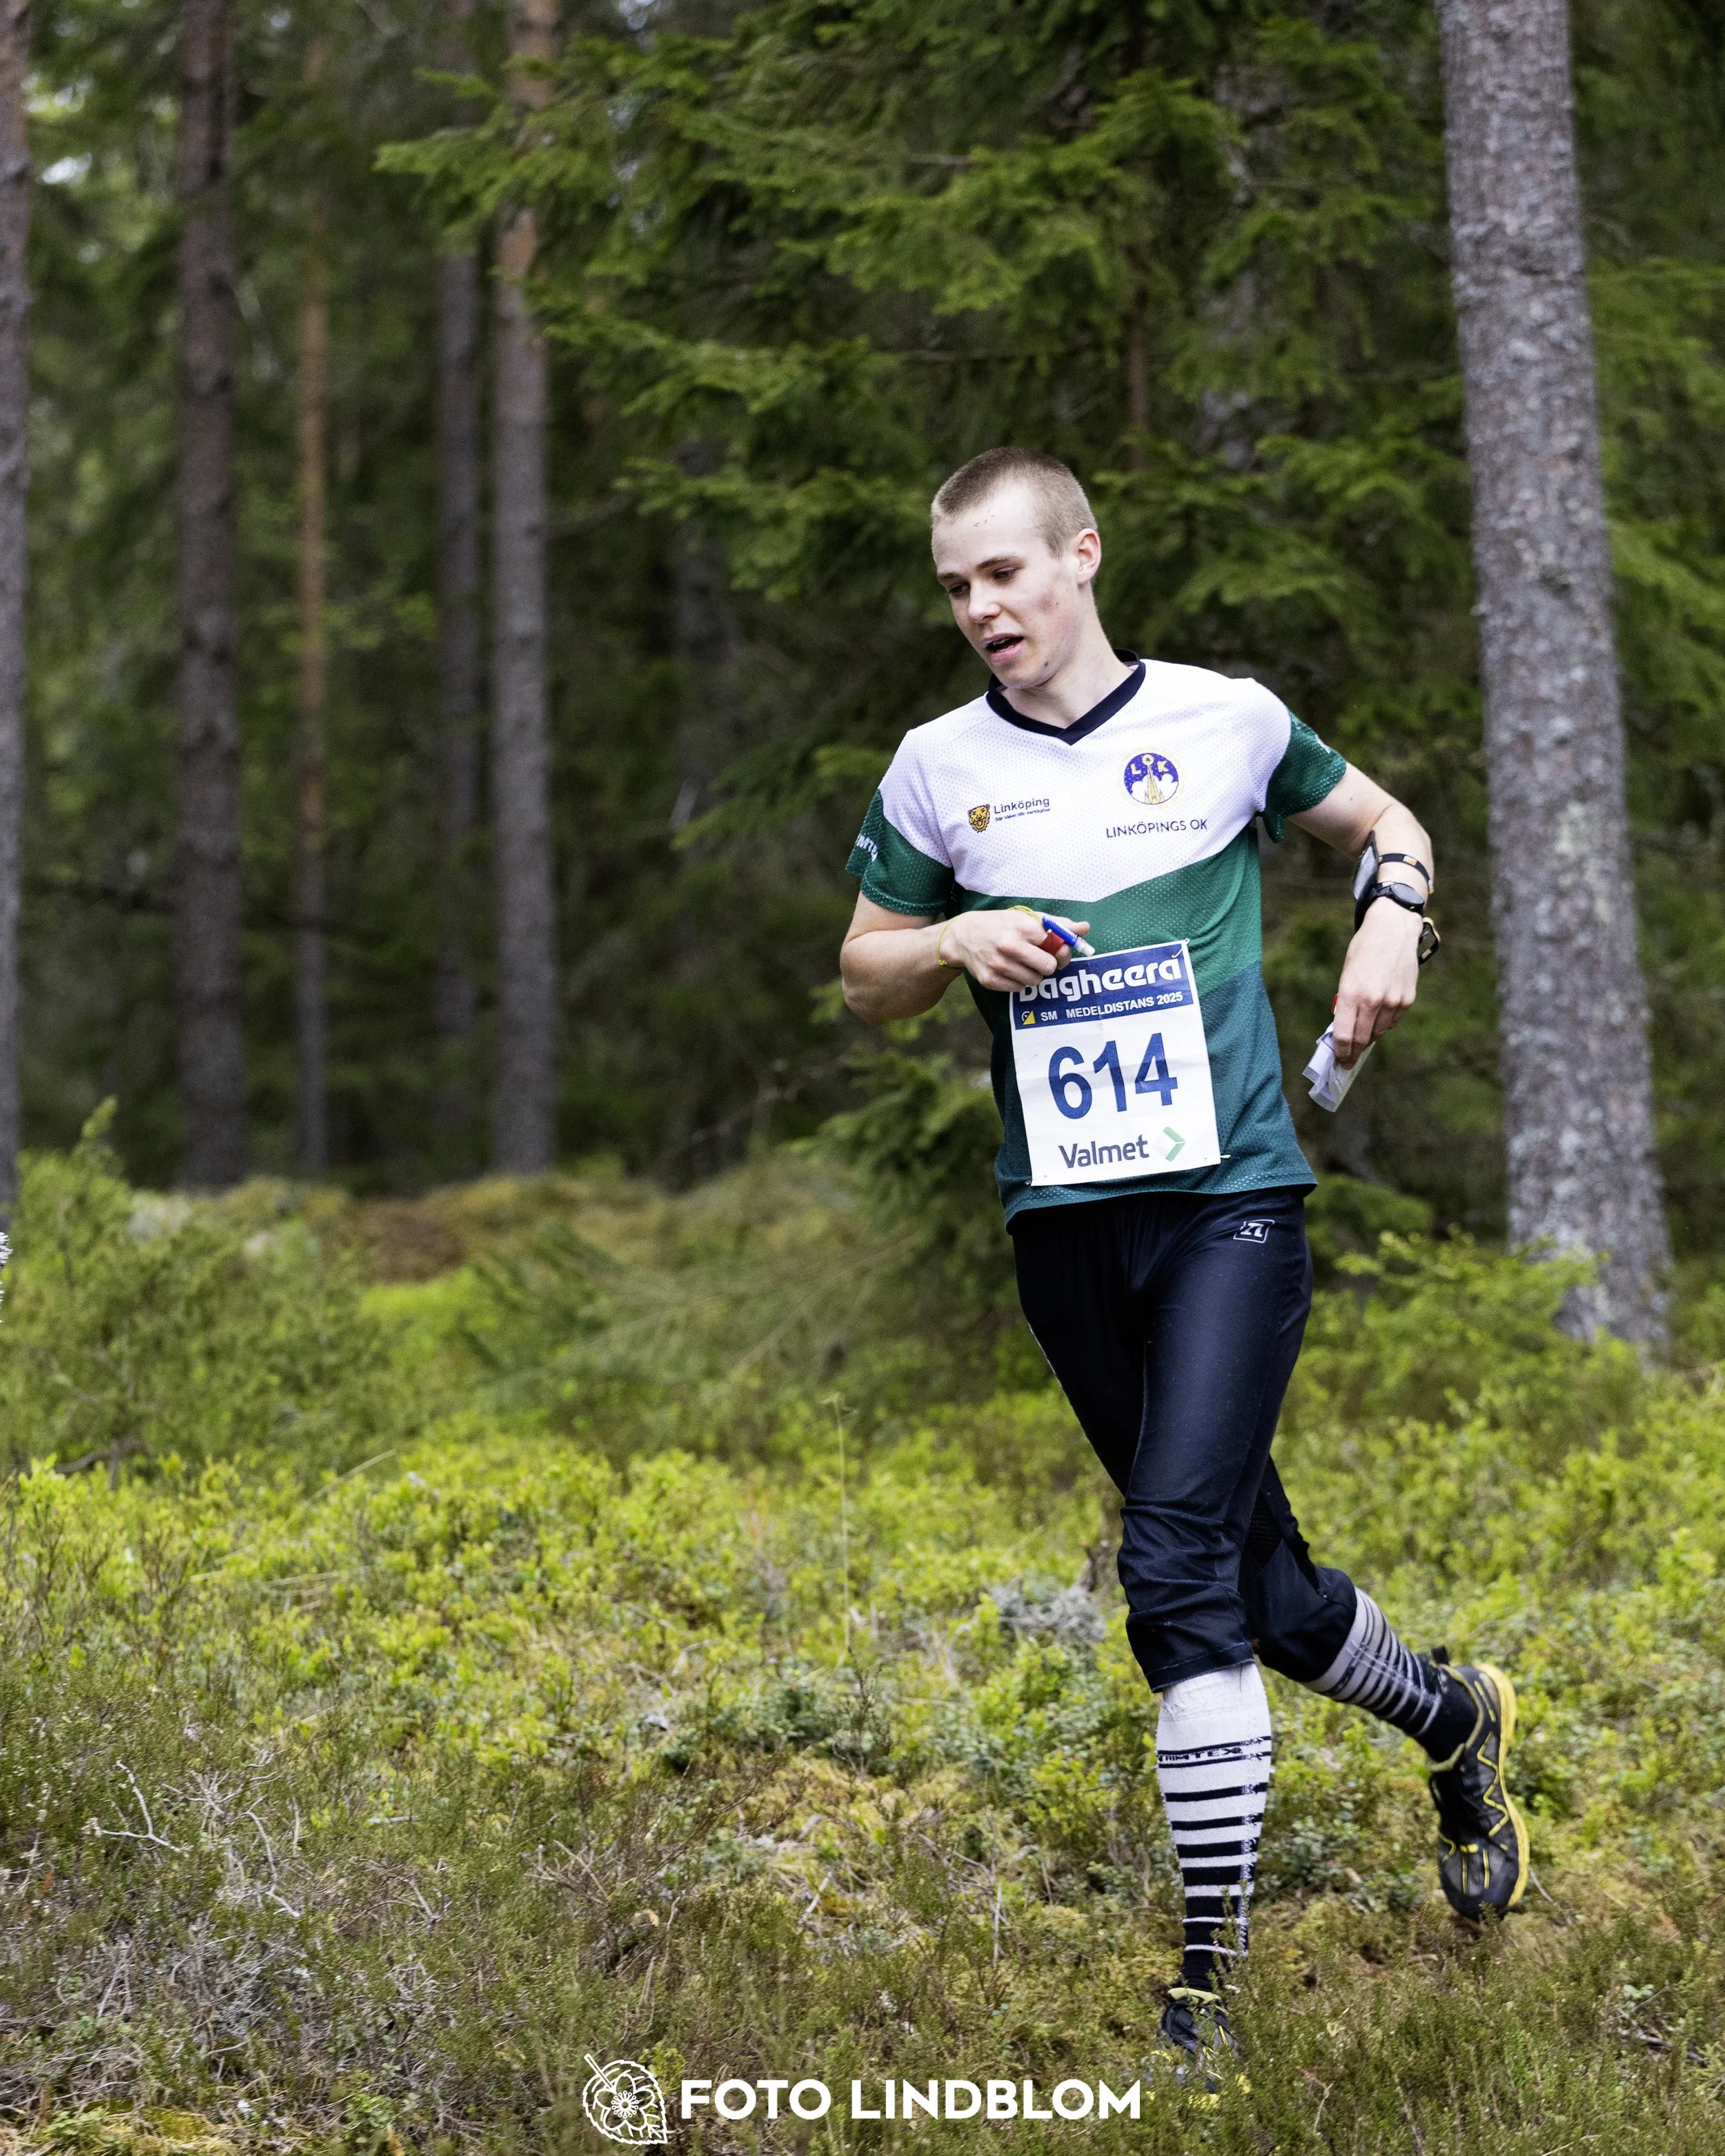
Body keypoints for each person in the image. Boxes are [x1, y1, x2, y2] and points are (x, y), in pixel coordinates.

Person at [838, 446, 1527, 2068]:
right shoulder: (937, 769)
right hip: (1062, 1226)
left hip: (1230, 1202)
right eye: (954, 586)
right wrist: (943, 939)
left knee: (1167, 1568)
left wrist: (1386, 917)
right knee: (1256, 1583)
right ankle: (1453, 1716)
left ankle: (1204, 1991)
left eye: (1003, 573)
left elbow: (1393, 829)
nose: (980, 609)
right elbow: (862, 973)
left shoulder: (1221, 719)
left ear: (1079, 554)